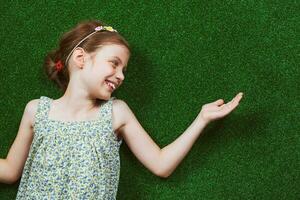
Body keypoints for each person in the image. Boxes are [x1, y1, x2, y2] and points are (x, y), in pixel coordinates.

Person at [0, 19, 244, 199]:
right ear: (81, 58)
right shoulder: (37, 110)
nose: (120, 76)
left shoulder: (116, 112)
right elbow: (11, 170)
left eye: (124, 70)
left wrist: (201, 119)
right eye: (114, 64)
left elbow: (161, 165)